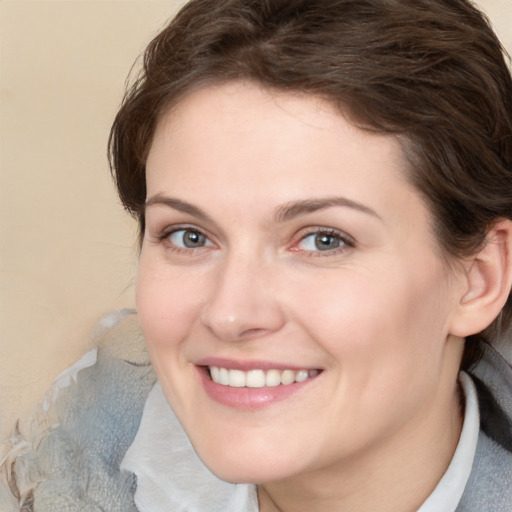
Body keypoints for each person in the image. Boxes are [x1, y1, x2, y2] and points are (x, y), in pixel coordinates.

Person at [1, 0, 512, 510]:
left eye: (323, 240)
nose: (229, 314)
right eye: (189, 236)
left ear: (479, 279)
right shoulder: (73, 444)